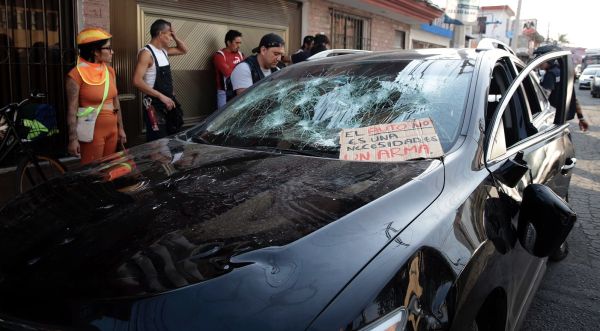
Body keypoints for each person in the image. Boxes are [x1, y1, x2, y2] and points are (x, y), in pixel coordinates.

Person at [65, 27, 125, 164]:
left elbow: (116, 102)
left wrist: (121, 128)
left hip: (112, 131)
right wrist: (73, 139)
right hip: (92, 133)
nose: (112, 52)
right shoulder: (75, 74)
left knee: (108, 172)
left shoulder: (110, 71)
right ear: (96, 52)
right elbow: (72, 110)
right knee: (93, 174)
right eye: (108, 48)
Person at [133, 19, 188, 141]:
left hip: (169, 103)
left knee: (173, 140)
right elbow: (137, 81)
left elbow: (184, 50)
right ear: (160, 34)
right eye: (169, 34)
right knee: (158, 144)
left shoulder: (164, 51)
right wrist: (161, 96)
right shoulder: (146, 53)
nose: (171, 37)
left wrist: (175, 35)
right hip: (154, 105)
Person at [533, 45, 588, 132]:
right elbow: (573, 98)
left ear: (549, 60)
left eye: (541, 60)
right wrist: (581, 118)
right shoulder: (564, 73)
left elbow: (542, 99)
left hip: (551, 119)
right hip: (560, 119)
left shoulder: (550, 75)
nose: (539, 63)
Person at [213, 30, 244, 108]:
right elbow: (229, 74)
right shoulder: (220, 55)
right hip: (225, 92)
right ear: (228, 42)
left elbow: (247, 71)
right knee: (223, 117)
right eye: (237, 43)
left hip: (239, 90)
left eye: (240, 43)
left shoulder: (240, 54)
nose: (239, 46)